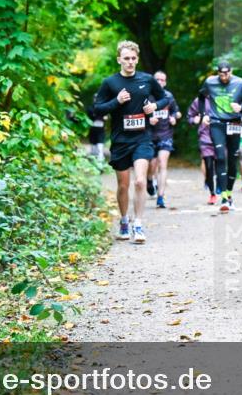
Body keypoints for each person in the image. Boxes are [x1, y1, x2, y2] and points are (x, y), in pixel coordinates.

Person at [93, 41, 170, 243]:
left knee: (139, 181)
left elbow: (164, 99)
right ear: (119, 59)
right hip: (120, 140)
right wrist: (116, 101)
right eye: (126, 58)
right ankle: (124, 221)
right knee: (123, 186)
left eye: (133, 58)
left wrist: (153, 105)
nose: (130, 62)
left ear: (137, 59)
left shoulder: (146, 79)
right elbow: (98, 109)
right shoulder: (110, 83)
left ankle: (138, 224)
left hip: (142, 138)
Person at [198, 62, 242, 213]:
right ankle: (223, 197)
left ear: (231, 71)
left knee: (232, 159)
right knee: (220, 157)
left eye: (227, 74)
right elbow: (201, 97)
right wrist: (204, 115)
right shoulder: (210, 82)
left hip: (234, 123)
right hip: (217, 123)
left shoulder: (240, 83)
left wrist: (241, 107)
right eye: (221, 74)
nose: (224, 77)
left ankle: (229, 194)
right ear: (218, 73)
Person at [146, 70, 181, 209]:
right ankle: (149, 180)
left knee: (162, 163)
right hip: (149, 135)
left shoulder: (168, 96)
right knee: (152, 165)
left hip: (165, 134)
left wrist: (174, 117)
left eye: (162, 80)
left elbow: (176, 111)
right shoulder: (147, 96)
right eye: (157, 80)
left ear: (165, 82)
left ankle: (160, 197)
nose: (160, 82)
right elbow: (138, 115)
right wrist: (149, 119)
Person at [187, 95, 218, 204]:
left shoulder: (223, 97)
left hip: (221, 136)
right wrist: (196, 120)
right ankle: (212, 193)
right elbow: (189, 117)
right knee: (208, 164)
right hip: (205, 137)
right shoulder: (200, 101)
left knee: (220, 162)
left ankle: (219, 183)